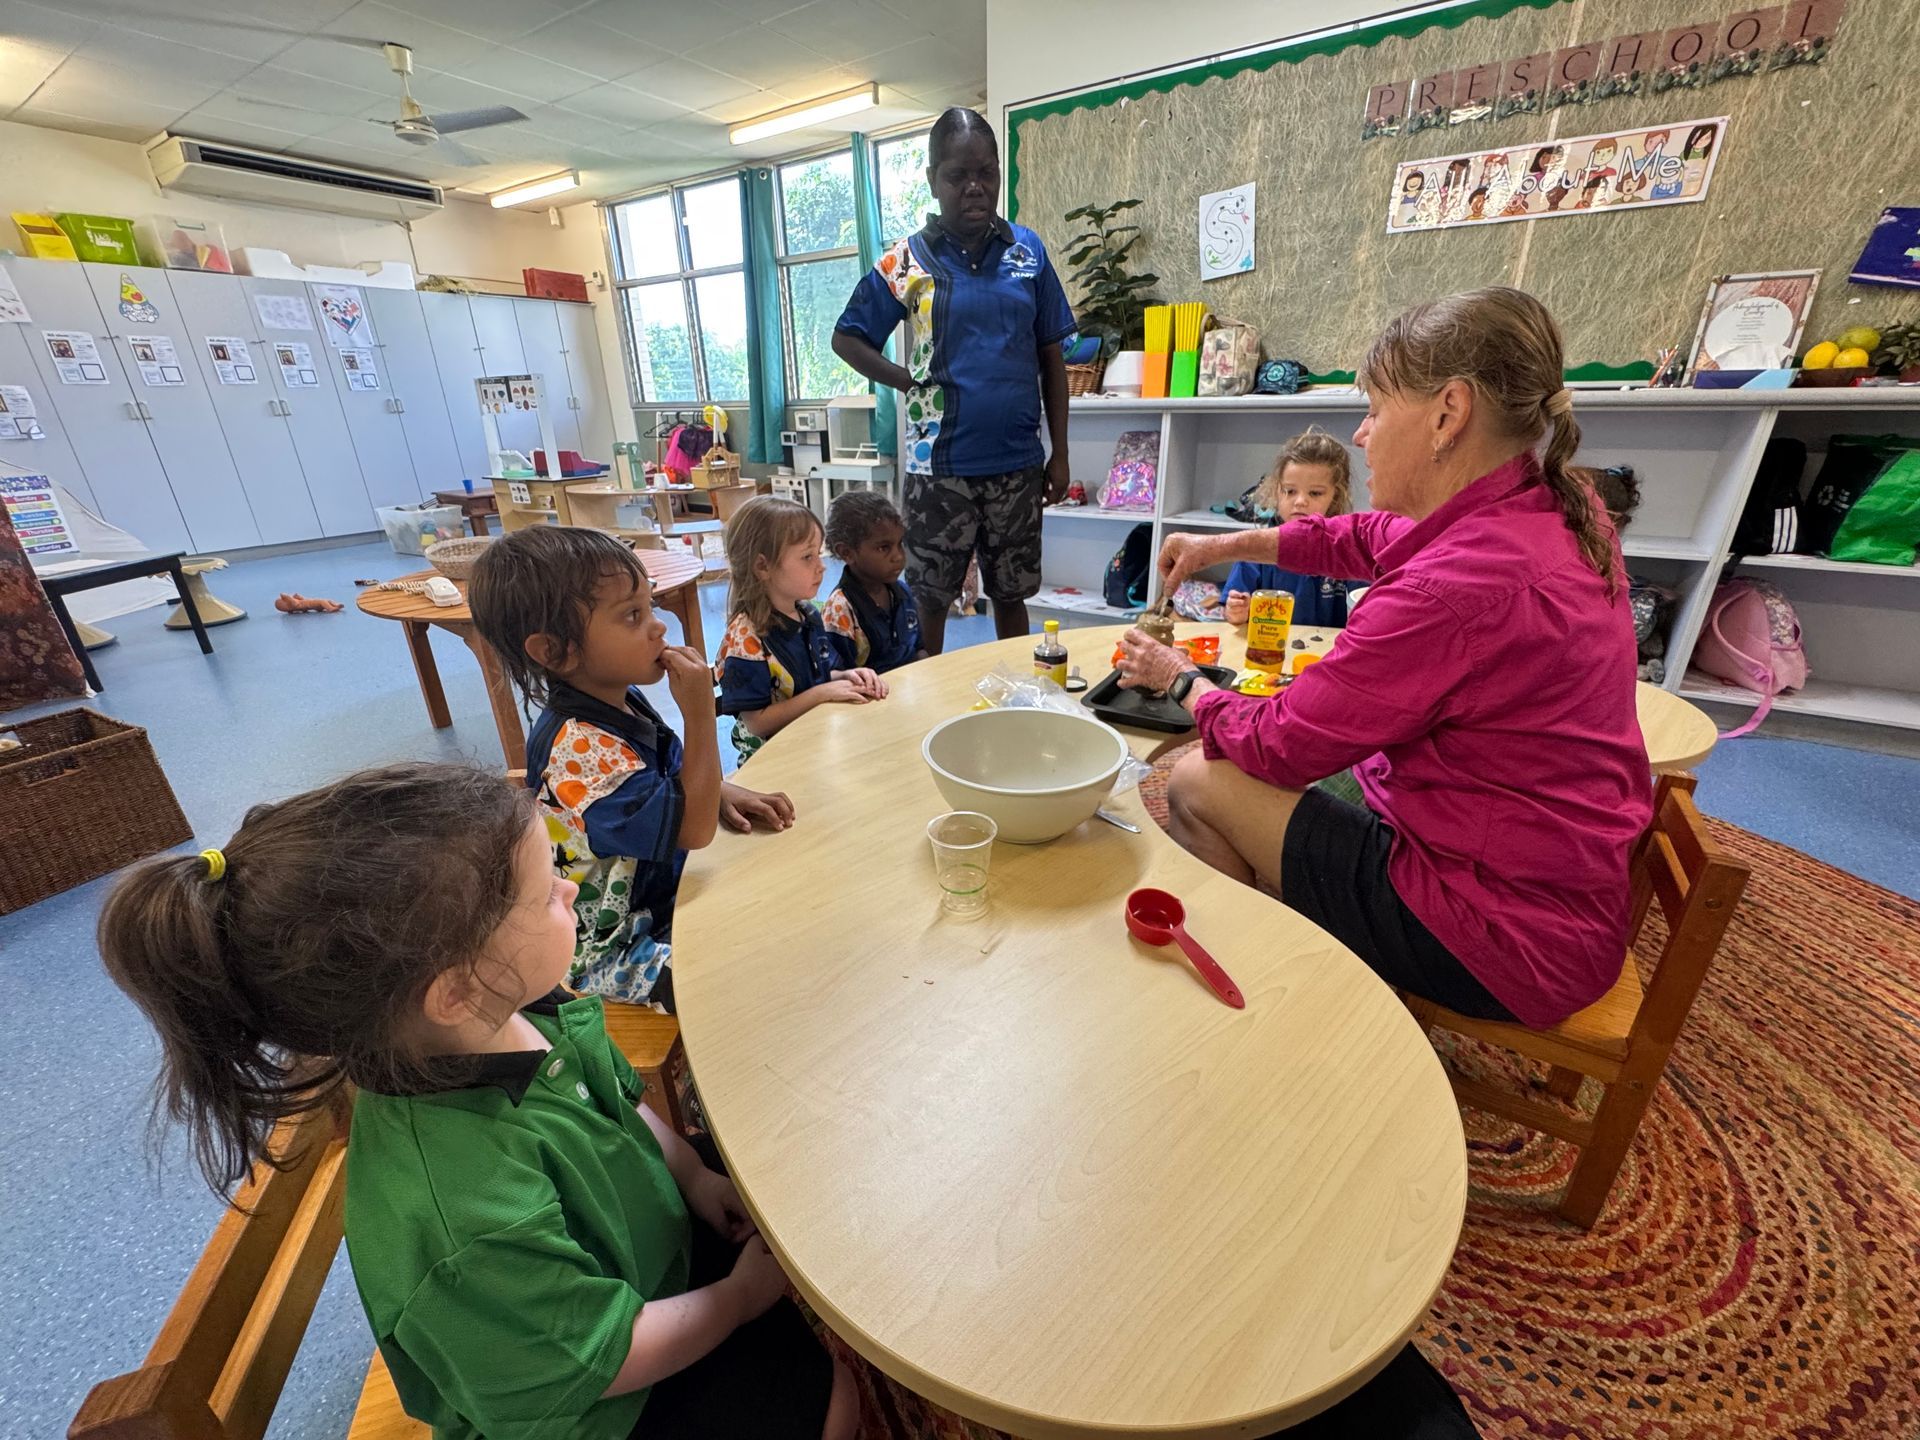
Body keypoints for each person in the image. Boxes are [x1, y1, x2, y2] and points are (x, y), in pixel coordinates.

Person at [96, 762, 857, 1440]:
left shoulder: (510, 1010)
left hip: (637, 1269)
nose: (569, 887)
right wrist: (737, 1300)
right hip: (597, 1403)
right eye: (545, 891)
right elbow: (601, 1357)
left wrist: (693, 1179)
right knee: (835, 1402)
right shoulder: (466, 1218)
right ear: (455, 991)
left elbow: (619, 1104)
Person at [1124, 287, 1652, 1030]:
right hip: (1562, 884)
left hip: (1501, 935)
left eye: (1375, 407)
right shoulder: (1553, 500)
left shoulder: (1457, 589)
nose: (1362, 433)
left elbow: (1277, 746)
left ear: (1448, 413)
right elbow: (1364, 536)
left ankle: (1264, 1010)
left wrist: (1181, 682)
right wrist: (1228, 544)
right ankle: (1304, 941)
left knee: (1197, 779)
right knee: (1275, 760)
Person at [471, 527, 794, 1009]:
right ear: (554, 650)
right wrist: (701, 715)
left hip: (662, 893)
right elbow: (695, 831)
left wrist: (722, 791)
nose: (659, 627)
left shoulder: (619, 699)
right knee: (748, 981)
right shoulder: (578, 748)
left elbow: (670, 777)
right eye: (632, 616)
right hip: (612, 948)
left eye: (651, 607)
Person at [831, 106, 1078, 654]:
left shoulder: (1027, 252)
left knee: (1012, 593)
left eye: (986, 173)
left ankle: (1020, 696)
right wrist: (908, 382)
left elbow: (1051, 358)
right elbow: (847, 338)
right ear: (932, 180)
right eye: (957, 175)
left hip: (1016, 464)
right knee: (930, 596)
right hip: (938, 469)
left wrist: (1059, 452)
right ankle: (927, 716)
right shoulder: (905, 261)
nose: (974, 187)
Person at [716, 497, 887, 762]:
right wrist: (821, 694)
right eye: (808, 557)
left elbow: (815, 677)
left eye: (818, 554)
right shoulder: (745, 640)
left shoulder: (808, 614)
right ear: (763, 567)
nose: (821, 566)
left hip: (814, 742)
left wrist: (846, 676)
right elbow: (757, 724)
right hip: (774, 762)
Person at [1220, 428, 1354, 630]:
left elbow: (1363, 613)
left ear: (1336, 497)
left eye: (1315, 493)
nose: (1300, 502)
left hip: (1326, 656)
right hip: (1267, 652)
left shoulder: (1348, 550)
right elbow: (1233, 615)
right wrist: (1237, 611)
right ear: (1277, 491)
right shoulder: (1256, 548)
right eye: (1290, 491)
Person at [820, 490, 925, 672]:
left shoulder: (902, 593)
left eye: (900, 543)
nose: (898, 556)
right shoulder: (840, 610)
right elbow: (837, 677)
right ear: (847, 553)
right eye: (884, 548)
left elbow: (919, 650)